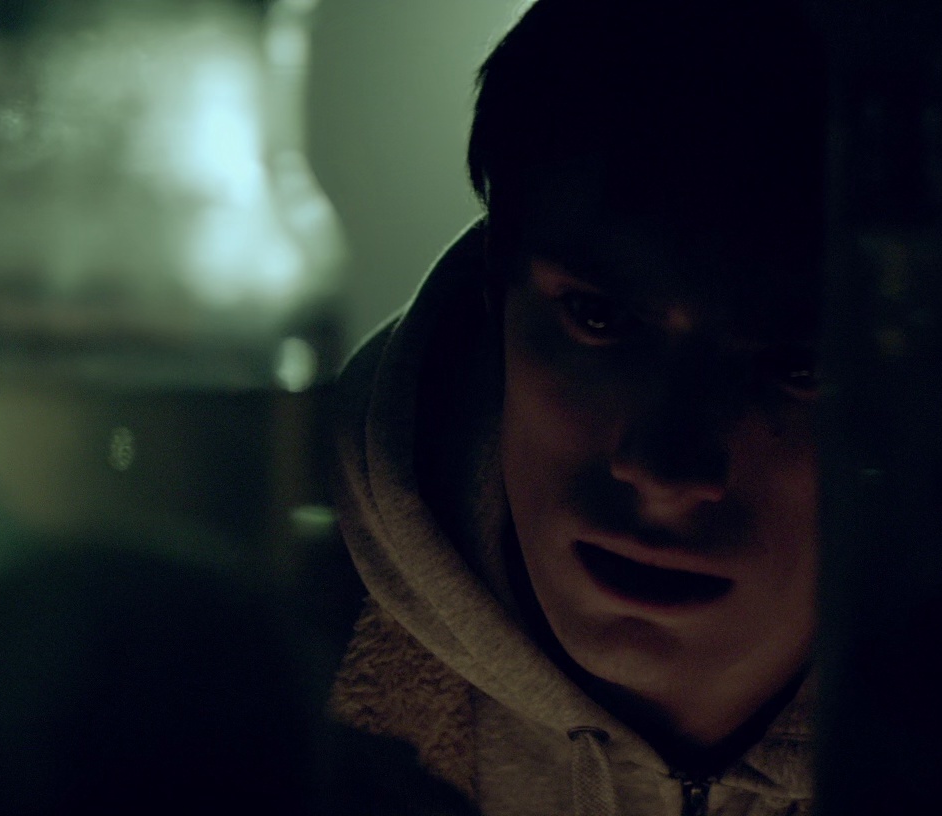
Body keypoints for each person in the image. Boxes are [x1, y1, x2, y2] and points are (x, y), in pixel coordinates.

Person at [327, 1, 827, 813]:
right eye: (598, 319)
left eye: (798, 366)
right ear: (495, 293)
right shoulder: (281, 672)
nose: (664, 469)